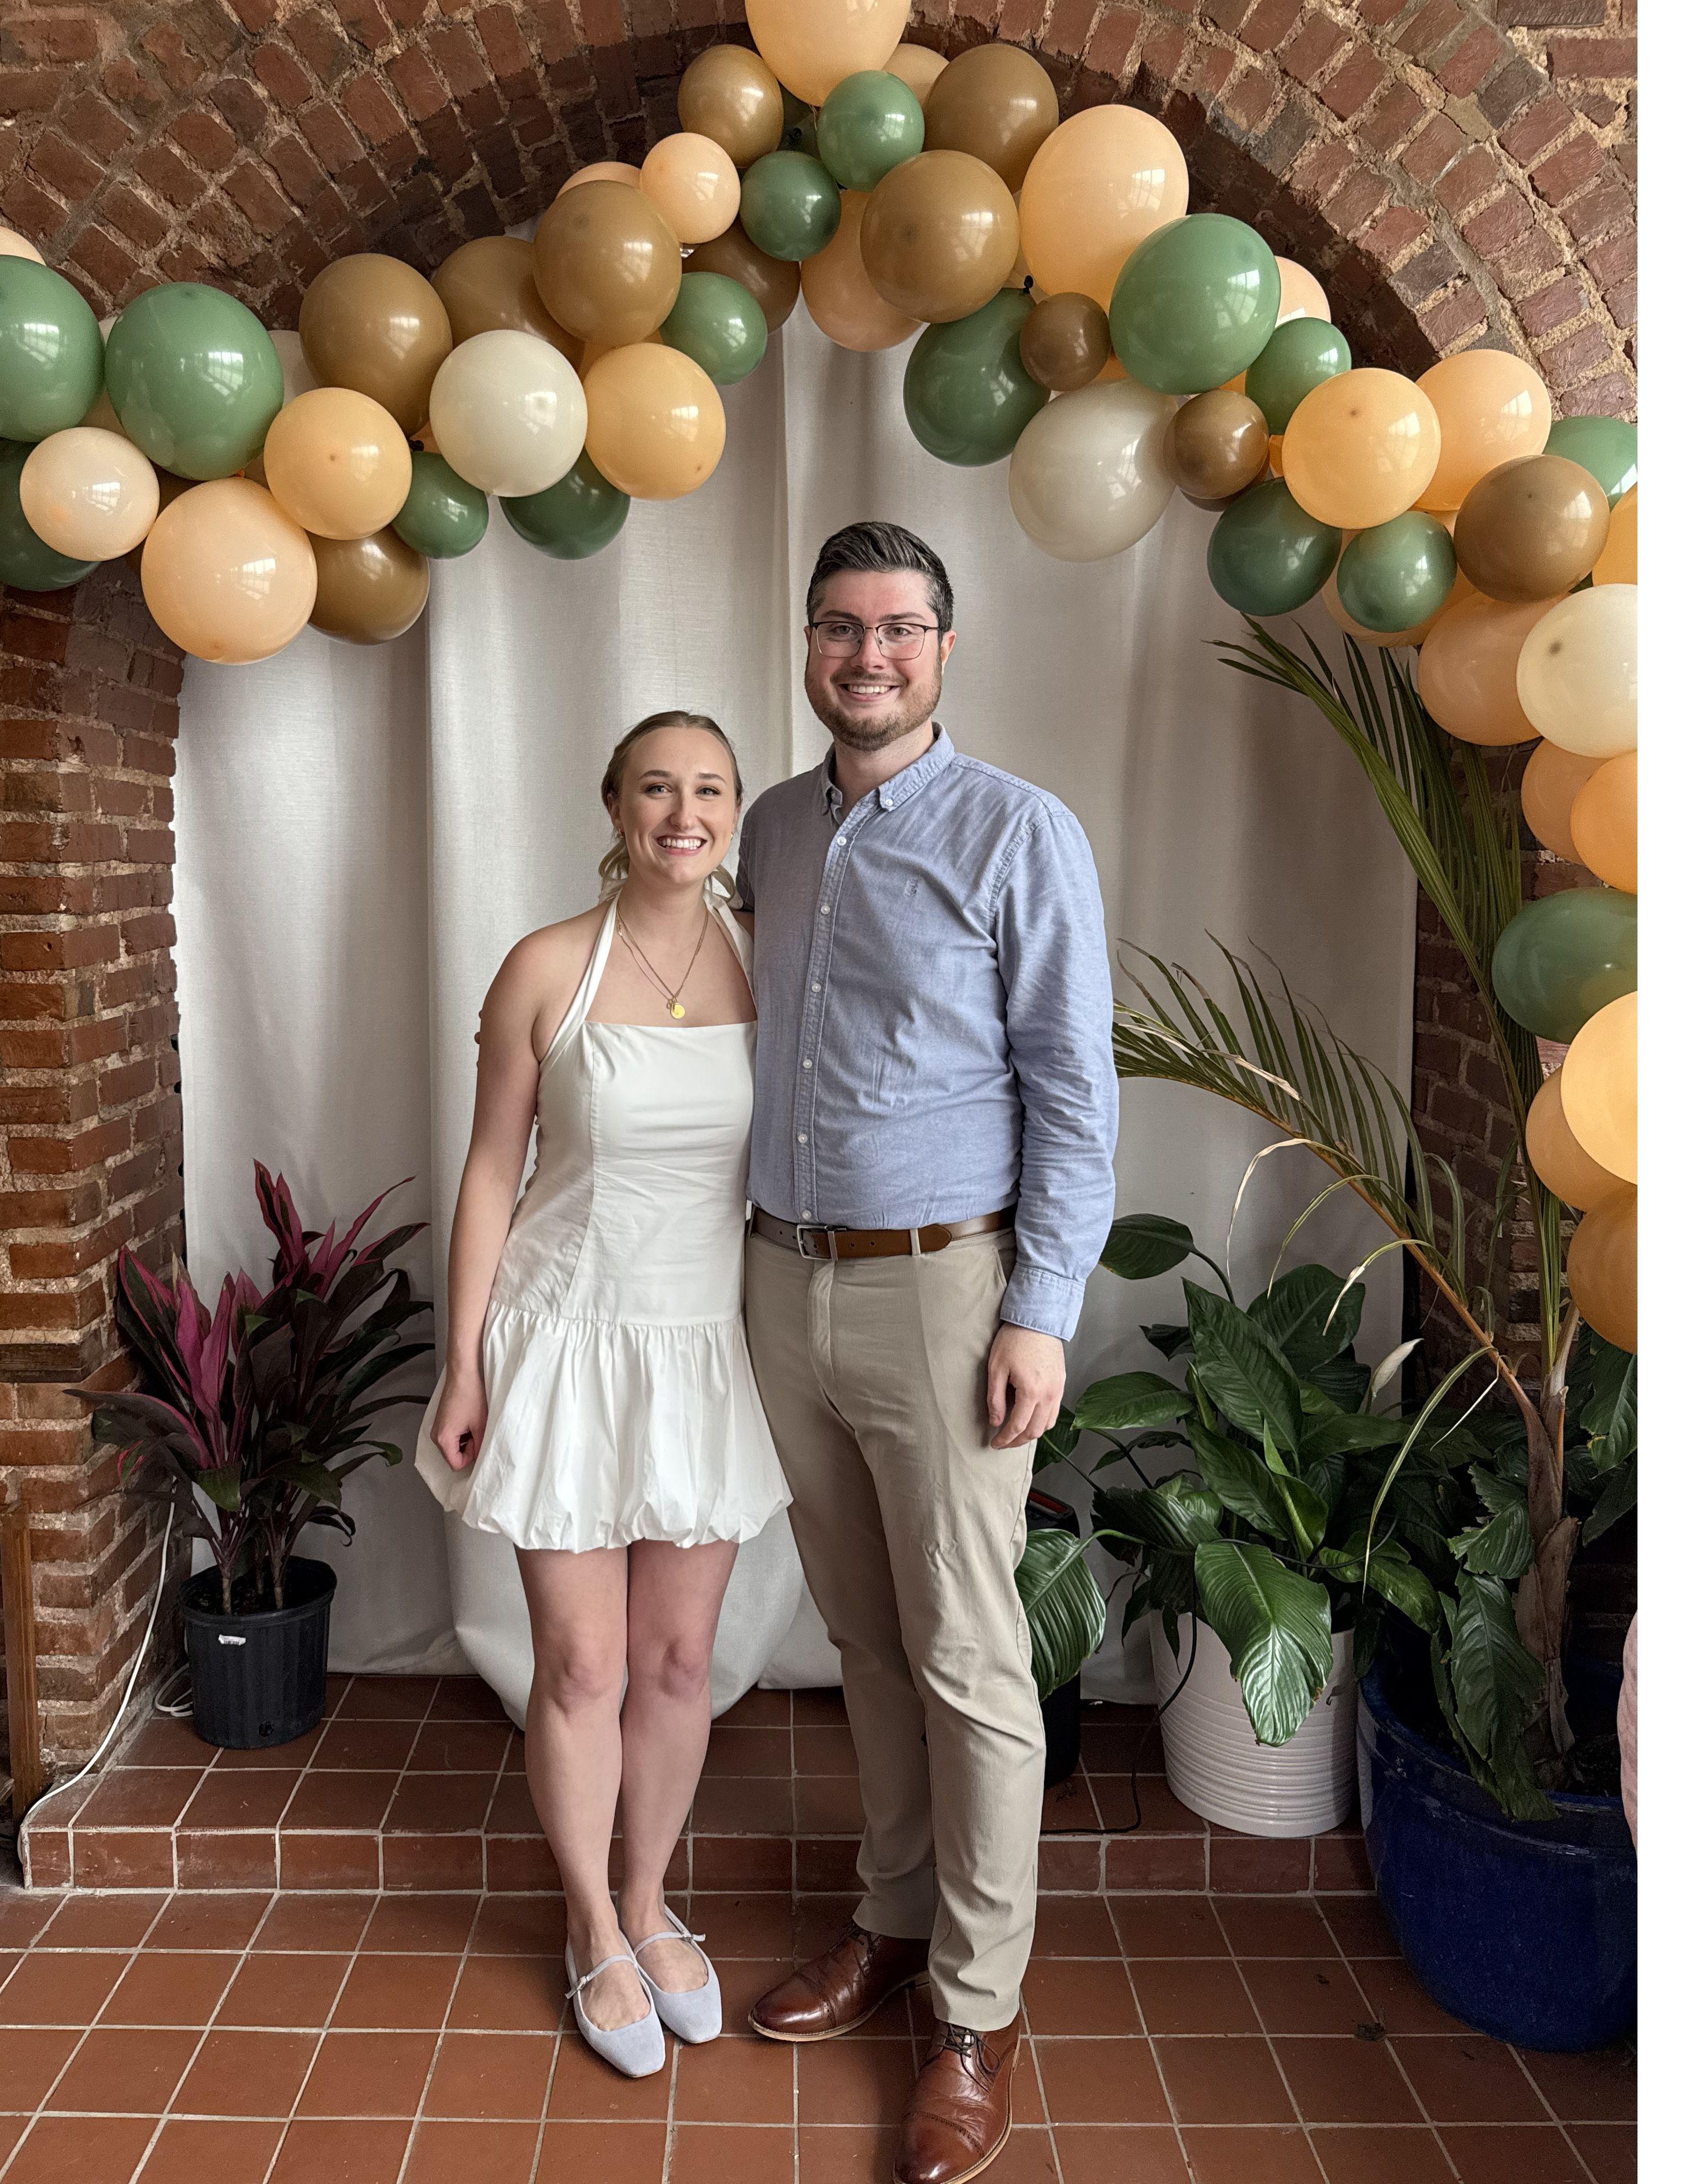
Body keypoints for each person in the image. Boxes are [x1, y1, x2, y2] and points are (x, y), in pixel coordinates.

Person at [737, 522, 1120, 2184]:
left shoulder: (1021, 832)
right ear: (809, 645)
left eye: (899, 628)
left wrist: (1042, 1309)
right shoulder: (770, 827)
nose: (868, 655)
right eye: (841, 626)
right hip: (784, 1285)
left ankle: (976, 2010)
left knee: (970, 1658)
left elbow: (1074, 1090)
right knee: (866, 1638)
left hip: (948, 1294)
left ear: (946, 650)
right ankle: (893, 1918)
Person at [416, 711, 792, 2079]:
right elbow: (489, 1171)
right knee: (580, 1664)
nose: (684, 813)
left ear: (735, 813)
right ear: (615, 805)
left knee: (680, 1662)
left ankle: (647, 1902)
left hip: (706, 1348)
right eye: (657, 788)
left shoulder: (771, 960)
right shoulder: (545, 966)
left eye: (710, 790)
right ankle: (588, 1924)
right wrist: (465, 1360)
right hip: (563, 1341)